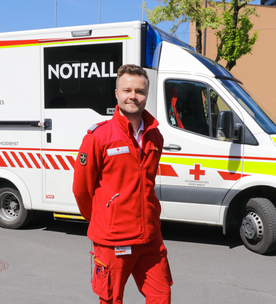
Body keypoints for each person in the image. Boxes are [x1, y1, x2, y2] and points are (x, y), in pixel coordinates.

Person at [73, 64, 172, 304]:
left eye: (139, 91)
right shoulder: (99, 137)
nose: (133, 96)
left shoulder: (154, 135)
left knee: (161, 296)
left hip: (150, 238)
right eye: (127, 90)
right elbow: (82, 189)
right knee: (111, 299)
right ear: (116, 93)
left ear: (146, 95)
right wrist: (104, 218)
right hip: (113, 240)